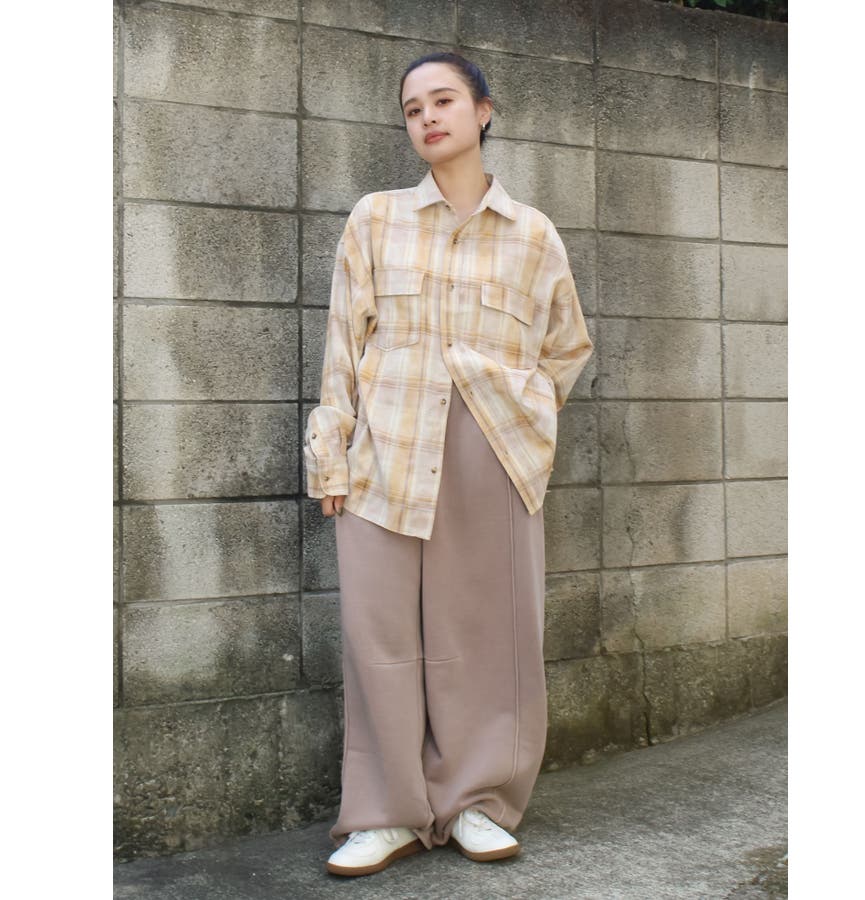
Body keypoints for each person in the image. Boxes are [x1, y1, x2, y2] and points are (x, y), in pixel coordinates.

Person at [303, 50, 594, 877]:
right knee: (380, 635)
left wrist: (520, 414)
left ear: (483, 111)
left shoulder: (532, 234)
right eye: (412, 108)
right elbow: (343, 342)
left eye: (444, 101)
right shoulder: (376, 219)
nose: (427, 117)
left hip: (492, 451)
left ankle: (478, 801)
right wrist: (331, 454)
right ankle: (386, 812)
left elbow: (567, 348)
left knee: (489, 634)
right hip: (386, 448)